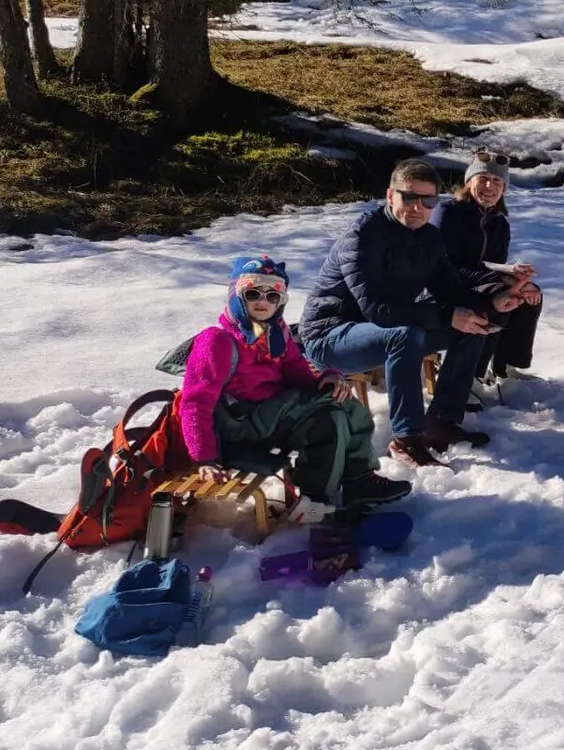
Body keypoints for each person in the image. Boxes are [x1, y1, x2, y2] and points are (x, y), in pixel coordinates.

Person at [298, 157, 522, 464]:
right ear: (390, 196)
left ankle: (441, 421)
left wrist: (492, 301)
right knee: (404, 334)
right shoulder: (364, 237)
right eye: (410, 197)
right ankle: (406, 438)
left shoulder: (429, 238)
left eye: (428, 200)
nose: (419, 207)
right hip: (332, 337)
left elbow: (450, 289)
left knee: (472, 323)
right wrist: (447, 316)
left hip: (388, 328)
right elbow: (377, 310)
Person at [178, 255, 408, 508]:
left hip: (274, 418)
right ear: (237, 296)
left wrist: (326, 378)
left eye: (272, 296)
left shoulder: (275, 333)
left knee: (333, 418)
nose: (263, 302)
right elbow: (195, 402)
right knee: (330, 399)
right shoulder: (216, 341)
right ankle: (343, 489)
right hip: (240, 422)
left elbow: (296, 370)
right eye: (253, 294)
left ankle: (331, 493)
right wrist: (204, 458)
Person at [432, 151, 545, 388]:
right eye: (482, 179)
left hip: (476, 282)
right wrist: (502, 281)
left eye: (496, 181)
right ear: (469, 182)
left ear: (503, 188)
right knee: (499, 295)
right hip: (442, 286)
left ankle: (507, 367)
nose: (489, 186)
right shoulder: (447, 213)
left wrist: (516, 278)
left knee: (528, 295)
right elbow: (443, 267)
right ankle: (472, 375)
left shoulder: (499, 222)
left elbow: (492, 265)